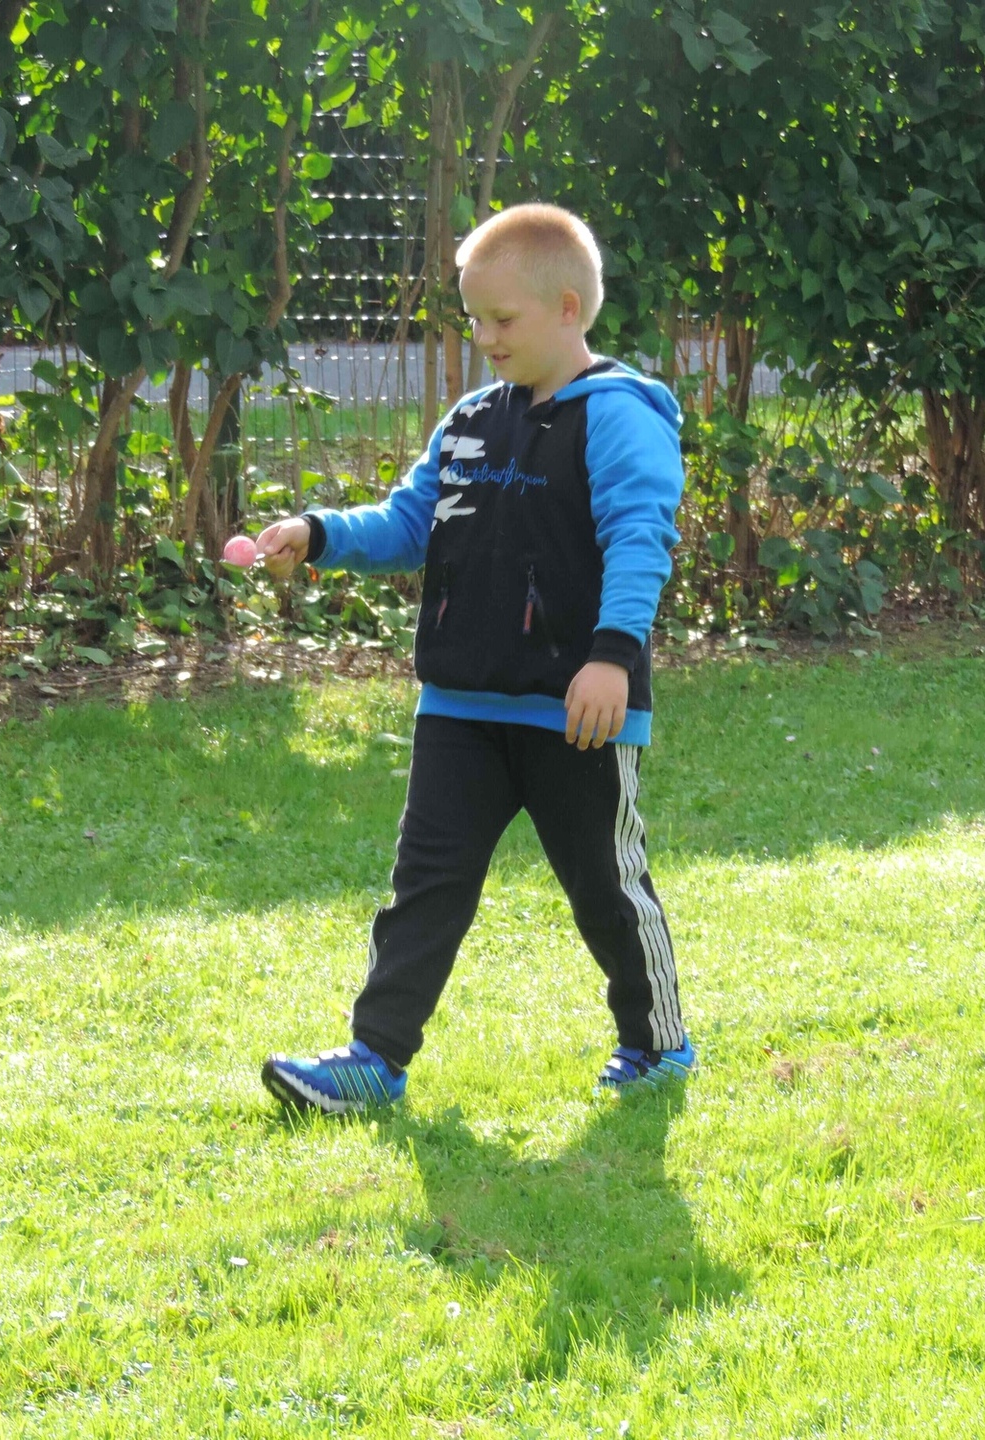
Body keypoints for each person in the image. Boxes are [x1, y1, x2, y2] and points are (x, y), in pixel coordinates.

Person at [254, 202, 690, 1113]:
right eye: (473, 319)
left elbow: (639, 538)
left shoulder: (619, 418)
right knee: (425, 884)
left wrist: (612, 657)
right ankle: (375, 1059)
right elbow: (411, 522)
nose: (484, 338)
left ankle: (656, 1044)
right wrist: (320, 533)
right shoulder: (470, 421)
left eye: (502, 319)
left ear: (567, 309)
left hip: (578, 709)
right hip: (460, 705)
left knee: (606, 887)